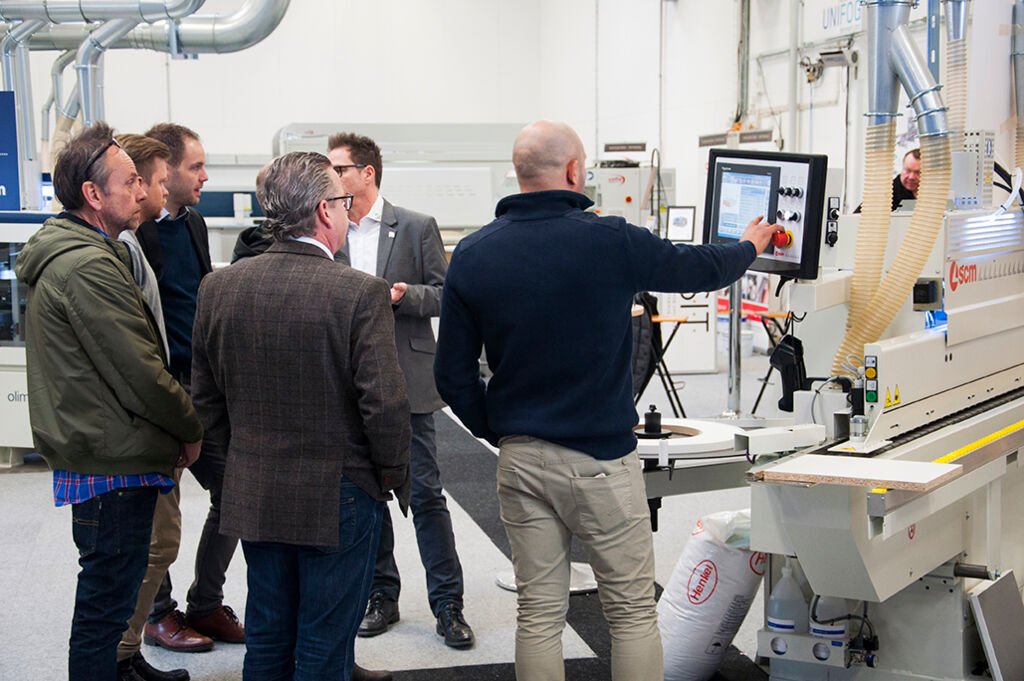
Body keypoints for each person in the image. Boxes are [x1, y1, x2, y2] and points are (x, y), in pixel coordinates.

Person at [433, 120, 781, 681]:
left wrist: (502, 430)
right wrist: (750, 246)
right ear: (575, 171)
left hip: (520, 459)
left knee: (538, 614)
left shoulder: (473, 253)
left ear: (518, 174)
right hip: (600, 463)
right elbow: (701, 267)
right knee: (631, 613)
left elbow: (451, 376)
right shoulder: (611, 240)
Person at [191, 151, 411, 681]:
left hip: (255, 489)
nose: (348, 210)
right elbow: (384, 405)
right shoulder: (359, 292)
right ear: (323, 211)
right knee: (324, 646)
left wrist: (234, 470)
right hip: (340, 492)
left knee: (267, 637)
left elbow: (206, 401)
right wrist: (389, 475)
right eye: (343, 200)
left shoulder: (218, 288)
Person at [14, 122, 203, 681]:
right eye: (129, 182)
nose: (141, 191)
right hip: (112, 456)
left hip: (106, 445)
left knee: (113, 593)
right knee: (105, 603)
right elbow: (140, 371)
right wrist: (190, 426)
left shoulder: (91, 252)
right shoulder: (88, 265)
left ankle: (123, 667)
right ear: (93, 194)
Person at [327, 132, 474, 649]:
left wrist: (405, 295)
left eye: (339, 169)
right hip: (349, 384)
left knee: (426, 495)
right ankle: (381, 596)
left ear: (366, 173)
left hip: (407, 383)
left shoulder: (414, 226)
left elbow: (447, 295)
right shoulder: (329, 227)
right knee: (367, 498)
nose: (332, 177)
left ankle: (448, 605)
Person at [136, 123, 244, 650]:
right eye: (195, 167)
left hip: (204, 387)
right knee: (161, 512)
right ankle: (158, 615)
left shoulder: (194, 224)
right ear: (165, 170)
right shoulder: (137, 234)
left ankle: (205, 603)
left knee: (236, 492)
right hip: (161, 390)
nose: (204, 176)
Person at [113, 133, 193, 681]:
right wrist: (181, 418)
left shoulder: (136, 244)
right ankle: (121, 653)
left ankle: (127, 652)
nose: (161, 190)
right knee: (151, 545)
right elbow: (138, 356)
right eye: (157, 180)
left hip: (156, 413)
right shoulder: (121, 250)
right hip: (144, 421)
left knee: (157, 542)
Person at [854, 147, 920, 212]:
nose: (911, 177)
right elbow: (856, 217)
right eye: (908, 171)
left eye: (918, 172)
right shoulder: (883, 193)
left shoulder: (926, 194)